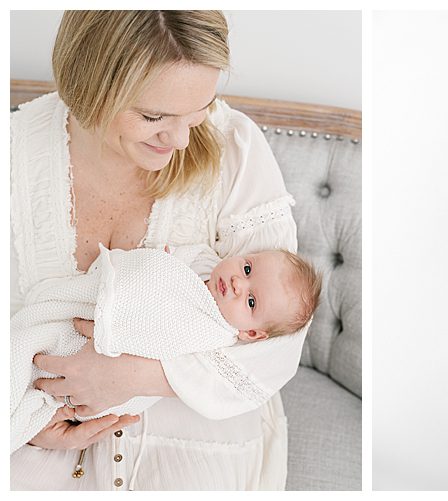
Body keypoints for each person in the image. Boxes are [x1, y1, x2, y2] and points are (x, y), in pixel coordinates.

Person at [10, 11, 307, 489]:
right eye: (154, 117)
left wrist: (136, 377)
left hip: (192, 441)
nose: (182, 140)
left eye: (200, 110)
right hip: (35, 433)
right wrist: (26, 425)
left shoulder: (234, 146)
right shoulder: (15, 155)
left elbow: (279, 343)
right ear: (90, 83)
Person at [12, 247, 321, 453]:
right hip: (76, 318)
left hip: (87, 356)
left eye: (251, 302)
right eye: (248, 268)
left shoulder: (212, 332)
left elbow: (157, 336)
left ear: (250, 333)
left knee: (23, 363)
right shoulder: (202, 260)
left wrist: (118, 327)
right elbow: (152, 266)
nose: (239, 283)